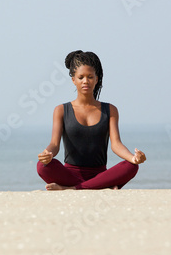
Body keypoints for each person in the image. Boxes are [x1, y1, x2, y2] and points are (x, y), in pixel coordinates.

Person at [37, 50, 146, 190]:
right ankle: (95, 187)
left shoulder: (110, 110)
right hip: (69, 174)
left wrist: (133, 158)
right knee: (42, 166)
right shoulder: (61, 110)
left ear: (96, 79)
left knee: (132, 166)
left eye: (90, 76)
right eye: (81, 77)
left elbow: (116, 144)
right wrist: (47, 153)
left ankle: (72, 188)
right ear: (73, 80)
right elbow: (54, 144)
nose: (85, 81)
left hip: (100, 175)